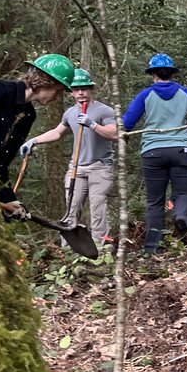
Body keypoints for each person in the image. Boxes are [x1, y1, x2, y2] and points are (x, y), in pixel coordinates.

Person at [121, 53, 187, 254]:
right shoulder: (185, 92)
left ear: (152, 74)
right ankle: (181, 217)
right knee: (181, 194)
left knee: (155, 201)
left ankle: (154, 248)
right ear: (172, 73)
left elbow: (127, 124)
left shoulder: (145, 95)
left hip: (153, 151)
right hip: (182, 149)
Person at [19, 68, 118, 246]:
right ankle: (69, 249)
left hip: (100, 167)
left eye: (84, 88)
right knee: (71, 208)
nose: (80, 93)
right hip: (76, 168)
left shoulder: (104, 111)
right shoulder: (70, 113)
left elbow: (114, 134)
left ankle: (100, 249)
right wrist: (33, 141)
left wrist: (92, 124)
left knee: (98, 208)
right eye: (76, 89)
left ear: (91, 89)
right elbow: (57, 133)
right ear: (71, 92)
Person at [0, 53, 75, 218]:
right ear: (44, 81)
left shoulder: (28, 116)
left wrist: (9, 199)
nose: (58, 97)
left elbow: (0, 163)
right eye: (58, 90)